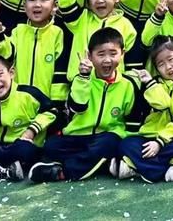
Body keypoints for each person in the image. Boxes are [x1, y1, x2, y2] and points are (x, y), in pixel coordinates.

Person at [30, 28, 143, 183]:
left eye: (113, 54)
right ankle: (103, 164)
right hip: (77, 136)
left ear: (122, 54)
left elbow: (133, 120)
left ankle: (63, 172)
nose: (107, 60)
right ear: (90, 56)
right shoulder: (81, 79)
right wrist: (83, 77)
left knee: (110, 143)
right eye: (101, 54)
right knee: (51, 145)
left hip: (105, 137)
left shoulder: (128, 84)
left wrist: (126, 146)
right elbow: (77, 107)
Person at [115, 37, 173, 184]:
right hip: (150, 138)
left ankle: (139, 167)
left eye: (171, 59)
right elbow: (162, 104)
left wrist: (160, 142)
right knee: (126, 144)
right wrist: (150, 83)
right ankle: (168, 170)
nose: (168, 67)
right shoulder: (153, 85)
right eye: (161, 64)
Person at [58, 0, 137, 80]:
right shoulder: (81, 19)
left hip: (112, 84)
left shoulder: (126, 25)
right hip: (82, 80)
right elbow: (66, 6)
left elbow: (131, 60)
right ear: (88, 1)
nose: (100, 0)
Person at [4, 0, 67, 104]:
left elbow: (61, 69)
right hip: (18, 101)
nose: (37, 4)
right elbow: (6, 56)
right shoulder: (17, 32)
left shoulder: (58, 33)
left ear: (55, 5)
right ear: (24, 5)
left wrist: (57, 102)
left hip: (47, 102)